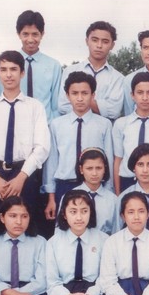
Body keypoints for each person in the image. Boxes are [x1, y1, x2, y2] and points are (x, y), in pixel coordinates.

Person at [0, 50, 50, 235]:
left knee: (26, 230)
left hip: (25, 173)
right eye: (4, 69)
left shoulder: (35, 107)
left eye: (13, 69)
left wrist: (22, 177)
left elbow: (42, 147)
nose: (9, 74)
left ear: (22, 73)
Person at [44, 72, 114, 223]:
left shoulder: (104, 124)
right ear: (67, 96)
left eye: (85, 93)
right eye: (75, 93)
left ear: (93, 95)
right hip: (65, 185)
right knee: (65, 229)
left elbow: (108, 160)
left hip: (94, 186)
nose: (80, 98)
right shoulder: (57, 125)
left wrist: (108, 191)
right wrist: (51, 197)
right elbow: (52, 162)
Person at [0, 10, 62, 123]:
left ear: (42, 34)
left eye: (35, 34)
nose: (30, 40)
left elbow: (56, 106)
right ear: (18, 34)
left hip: (44, 126)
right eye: (25, 34)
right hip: (15, 124)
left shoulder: (54, 66)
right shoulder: (7, 65)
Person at [58, 21, 124, 121]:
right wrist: (100, 106)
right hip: (72, 127)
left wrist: (79, 101)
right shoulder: (69, 71)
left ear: (112, 45)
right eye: (94, 40)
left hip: (103, 129)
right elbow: (63, 106)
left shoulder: (118, 78)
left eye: (105, 41)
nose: (99, 45)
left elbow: (114, 111)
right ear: (87, 41)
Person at [73, 148, 121, 236]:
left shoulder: (113, 200)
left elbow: (117, 231)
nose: (94, 173)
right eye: (89, 168)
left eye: (99, 168)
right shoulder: (71, 196)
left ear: (105, 169)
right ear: (81, 169)